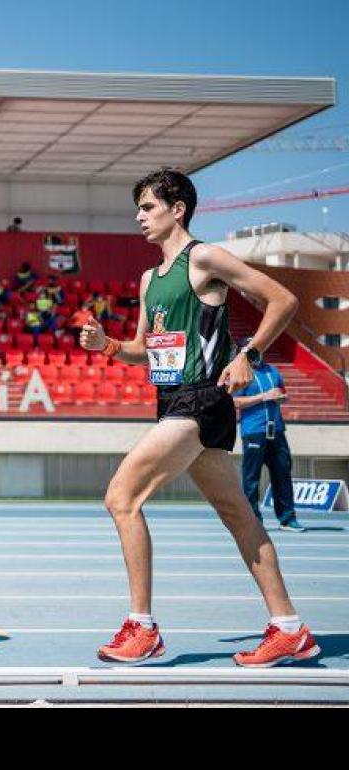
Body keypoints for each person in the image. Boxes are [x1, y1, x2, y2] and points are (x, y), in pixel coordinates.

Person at [80, 167, 317, 667]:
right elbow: (143, 349)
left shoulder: (203, 257)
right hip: (172, 401)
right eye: (138, 208)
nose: (139, 216)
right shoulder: (149, 279)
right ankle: (290, 628)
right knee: (238, 514)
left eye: (148, 207)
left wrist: (248, 355)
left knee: (121, 498)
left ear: (177, 209)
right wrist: (107, 345)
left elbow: (284, 299)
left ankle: (142, 628)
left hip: (202, 400)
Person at [233, 336, 304, 532]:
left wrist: (281, 397)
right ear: (243, 352)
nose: (255, 353)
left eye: (257, 349)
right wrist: (264, 396)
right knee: (251, 479)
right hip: (254, 431)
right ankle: (253, 521)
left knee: (282, 474)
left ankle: (287, 519)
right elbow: (235, 402)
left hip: (277, 430)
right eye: (250, 350)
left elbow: (282, 394)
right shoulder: (240, 373)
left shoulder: (273, 371)